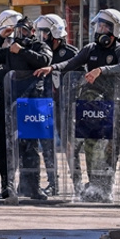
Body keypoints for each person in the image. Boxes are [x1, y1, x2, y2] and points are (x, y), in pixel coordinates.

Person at [39, 9, 120, 202]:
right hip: (91, 106)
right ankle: (93, 187)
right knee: (90, 146)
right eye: (98, 26)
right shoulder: (90, 49)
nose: (100, 30)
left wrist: (102, 70)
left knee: (108, 149)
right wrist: (52, 67)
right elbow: (71, 63)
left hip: (113, 106)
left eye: (104, 27)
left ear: (114, 30)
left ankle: (106, 188)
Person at [0, 10, 52, 200]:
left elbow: (45, 60)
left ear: (32, 32)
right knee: (9, 148)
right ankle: (7, 186)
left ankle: (32, 187)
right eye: (18, 31)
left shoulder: (39, 46)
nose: (21, 34)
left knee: (30, 147)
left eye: (24, 31)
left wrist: (22, 51)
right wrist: (1, 36)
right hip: (11, 103)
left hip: (31, 103)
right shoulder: (10, 50)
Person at [34, 13, 76, 193]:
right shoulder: (40, 52)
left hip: (66, 106)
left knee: (69, 144)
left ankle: (78, 183)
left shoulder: (71, 54)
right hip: (44, 103)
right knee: (47, 144)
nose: (41, 37)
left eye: (44, 33)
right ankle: (53, 182)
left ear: (55, 33)